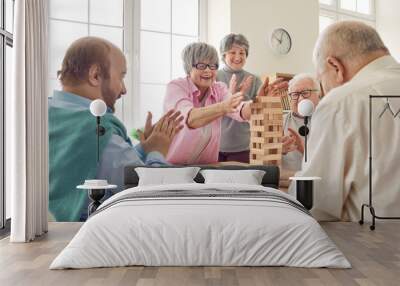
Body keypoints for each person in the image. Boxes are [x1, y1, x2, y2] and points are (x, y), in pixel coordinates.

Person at [49, 37, 183, 221]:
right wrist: (158, 152)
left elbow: (96, 162)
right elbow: (151, 198)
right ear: (95, 75)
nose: (124, 89)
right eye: (121, 76)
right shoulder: (99, 131)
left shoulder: (43, 115)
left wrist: (144, 149)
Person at [289, 21, 400, 221]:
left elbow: (314, 204)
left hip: (369, 246)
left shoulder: (342, 102)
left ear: (335, 66)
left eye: (321, 81)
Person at [163, 42, 285, 165]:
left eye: (212, 66)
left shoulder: (219, 89)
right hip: (174, 167)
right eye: (201, 66)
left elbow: (240, 110)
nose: (208, 71)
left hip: (206, 168)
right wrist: (224, 107)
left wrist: (260, 102)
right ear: (189, 68)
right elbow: (190, 119)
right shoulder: (176, 87)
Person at [217, 34, 262, 163]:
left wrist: (247, 98)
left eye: (242, 53)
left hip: (243, 147)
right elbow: (210, 111)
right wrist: (231, 96)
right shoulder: (214, 76)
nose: (238, 57)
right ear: (224, 55)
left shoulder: (254, 80)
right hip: (215, 147)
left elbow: (259, 114)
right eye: (232, 52)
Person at [281, 73, 321, 171]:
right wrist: (276, 150)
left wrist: (304, 150)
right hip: (288, 181)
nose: (301, 99)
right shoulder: (279, 122)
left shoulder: (329, 121)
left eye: (306, 93)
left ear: (318, 94)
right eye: (295, 94)